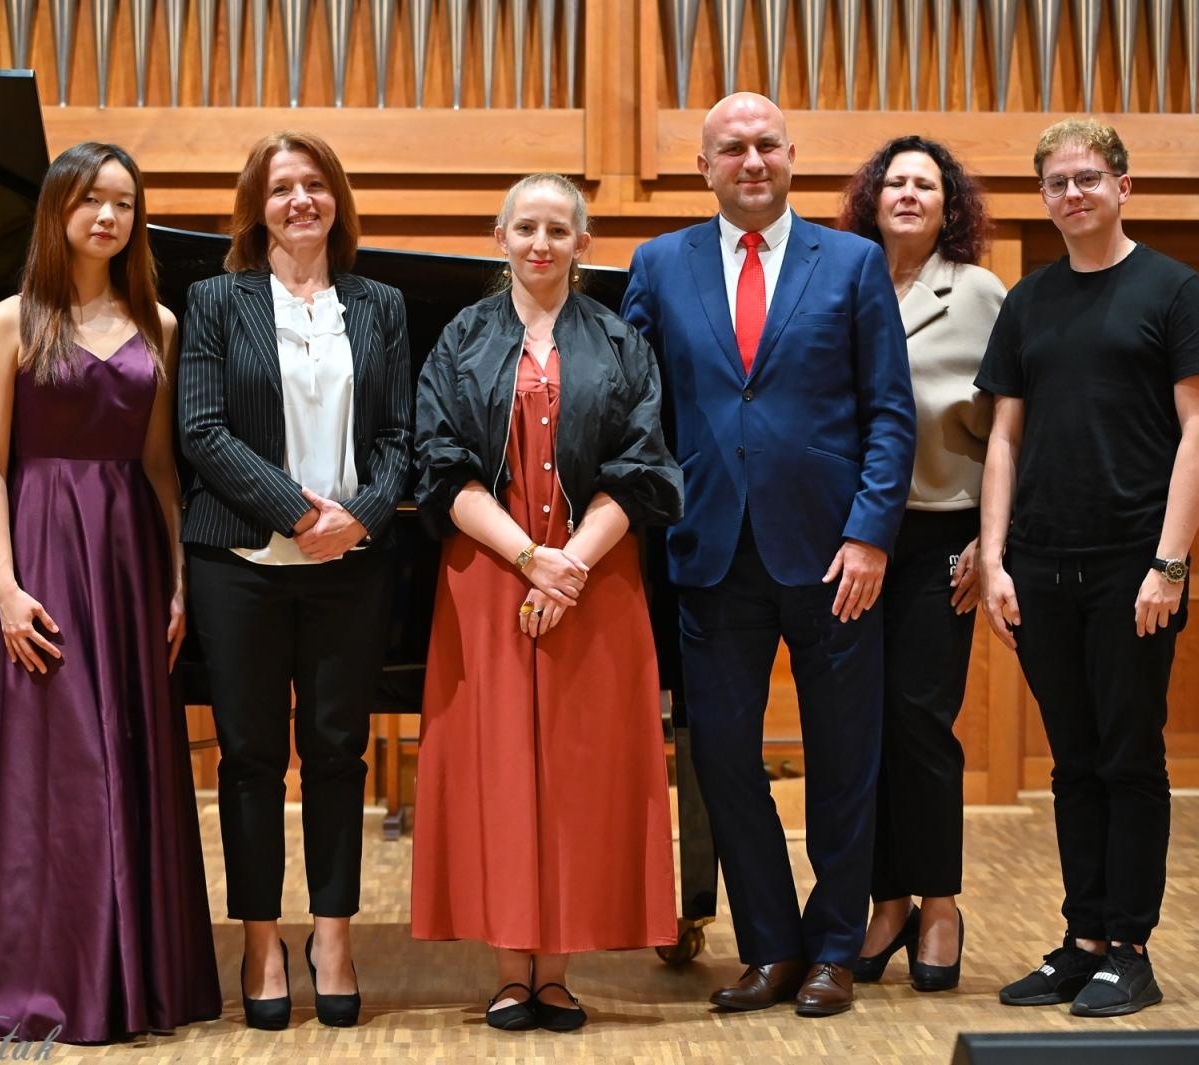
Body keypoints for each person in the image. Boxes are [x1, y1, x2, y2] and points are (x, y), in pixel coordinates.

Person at [622, 93, 915, 1018]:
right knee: (722, 758)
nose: (751, 161)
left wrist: (870, 532)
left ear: (792, 156)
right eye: (731, 149)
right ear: (704, 167)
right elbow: (634, 406)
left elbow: (890, 413)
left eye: (766, 146)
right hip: (706, 552)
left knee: (843, 757)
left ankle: (834, 946)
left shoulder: (855, 263)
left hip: (834, 556)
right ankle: (770, 945)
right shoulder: (658, 264)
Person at [0, 142, 221, 1044]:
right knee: (55, 770)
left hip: (129, 554)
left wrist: (178, 573)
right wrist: (5, 585)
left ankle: (136, 980)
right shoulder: (8, 319)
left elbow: (158, 466)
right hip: (43, 553)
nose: (109, 216)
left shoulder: (161, 325)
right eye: (92, 200)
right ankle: (47, 980)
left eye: (125, 204)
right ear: (58, 208)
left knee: (127, 756)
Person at [411, 172, 682, 1033]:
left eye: (557, 230)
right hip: (492, 570)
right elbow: (438, 466)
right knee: (496, 766)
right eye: (524, 227)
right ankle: (507, 966)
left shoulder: (619, 339)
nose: (540, 243)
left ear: (582, 244)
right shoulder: (461, 336)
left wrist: (570, 564)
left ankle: (556, 970)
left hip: (595, 576)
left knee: (576, 768)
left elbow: (643, 466)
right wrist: (531, 557)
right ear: (501, 238)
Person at [978, 118, 1199, 1017]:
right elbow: (1003, 440)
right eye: (1056, 182)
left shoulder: (1172, 289)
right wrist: (995, 556)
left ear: (1124, 186)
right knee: (1072, 760)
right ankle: (1082, 939)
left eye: (1088, 177)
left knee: (1128, 756)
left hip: (1133, 565)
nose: (1072, 193)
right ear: (1042, 198)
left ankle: (1130, 945)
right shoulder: (1028, 301)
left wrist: (1170, 562)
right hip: (1039, 563)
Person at [178, 131, 412, 1030]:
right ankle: (261, 939)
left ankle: (335, 934)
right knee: (248, 759)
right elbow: (200, 430)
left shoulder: (379, 303)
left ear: (338, 200)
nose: (301, 200)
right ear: (256, 206)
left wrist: (360, 514)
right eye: (282, 188)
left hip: (350, 564)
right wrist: (297, 512)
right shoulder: (214, 300)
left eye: (316, 184)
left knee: (338, 754)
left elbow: (399, 435)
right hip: (239, 563)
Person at [834, 135, 1005, 993]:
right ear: (871, 198)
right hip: (854, 540)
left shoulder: (977, 293)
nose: (907, 194)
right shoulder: (842, 279)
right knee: (865, 727)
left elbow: (1018, 428)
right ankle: (887, 899)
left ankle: (940, 901)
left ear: (949, 205)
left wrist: (992, 540)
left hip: (943, 537)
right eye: (894, 181)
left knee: (920, 722)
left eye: (925, 184)